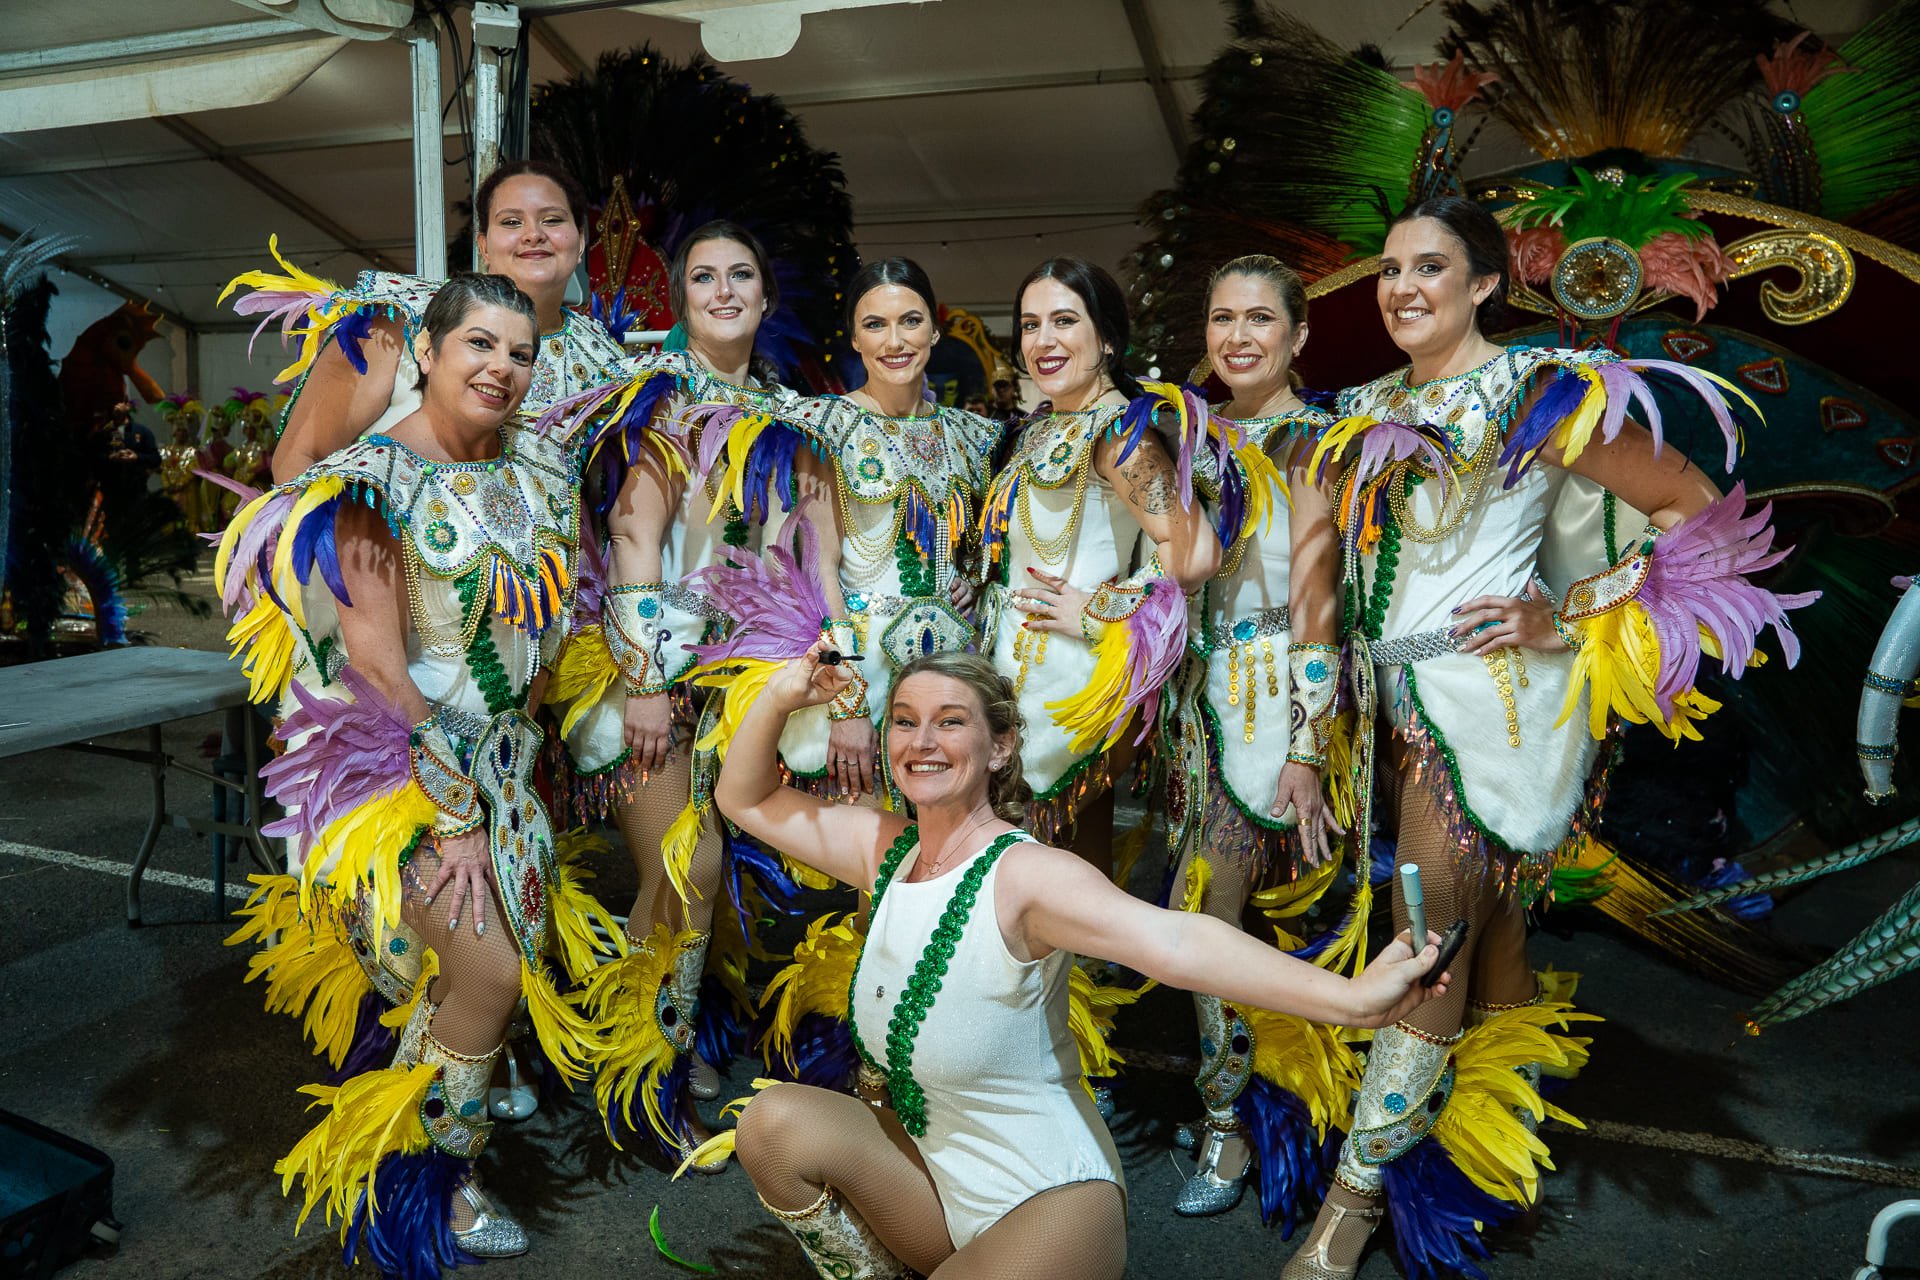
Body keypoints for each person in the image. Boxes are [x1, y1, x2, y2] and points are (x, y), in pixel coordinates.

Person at [1278, 195, 1815, 1279]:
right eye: (1389, 269)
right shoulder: (1359, 409)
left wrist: (1564, 615)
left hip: (1494, 708)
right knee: (1491, 934)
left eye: (1430, 267)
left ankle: (1354, 1201)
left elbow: (1696, 510)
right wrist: (1306, 731)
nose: (1402, 288)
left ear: (1485, 283)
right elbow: (1315, 584)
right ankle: (1497, 1139)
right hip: (1388, 711)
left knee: (1424, 944)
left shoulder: (1540, 391)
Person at [709, 645, 1450, 1280]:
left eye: (951, 721)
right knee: (772, 1125)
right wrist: (781, 695)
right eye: (905, 720)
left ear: (1000, 746)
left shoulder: (1026, 877)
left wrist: (1352, 1000)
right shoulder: (884, 850)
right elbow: (743, 798)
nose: (922, 740)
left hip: (1048, 1201)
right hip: (936, 1189)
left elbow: (1177, 942)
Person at [215, 274, 614, 1272]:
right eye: (478, 343)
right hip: (399, 773)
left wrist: (529, 749)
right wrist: (457, 812)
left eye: (519, 352)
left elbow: (551, 623)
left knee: (486, 967)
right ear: (426, 353)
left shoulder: (543, 465)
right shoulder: (370, 483)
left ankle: (441, 1110)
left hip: (505, 763)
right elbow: (379, 670)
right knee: (488, 969)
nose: (501, 367)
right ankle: (432, 1184)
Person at [539, 220, 799, 1165]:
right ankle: (647, 1080)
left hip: (742, 675)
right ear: (680, 299)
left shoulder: (784, 410)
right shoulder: (660, 395)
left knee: (713, 876)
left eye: (741, 274)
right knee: (687, 868)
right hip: (648, 667)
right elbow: (632, 532)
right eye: (703, 277)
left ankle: (678, 1034)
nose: (723, 291)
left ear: (766, 296)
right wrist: (647, 680)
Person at [1161, 255, 1351, 1226]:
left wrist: (1308, 747)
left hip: (1276, 703)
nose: (1238, 336)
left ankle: (1238, 1123)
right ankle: (1238, 1113)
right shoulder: (1188, 436)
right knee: (1209, 913)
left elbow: (1318, 601)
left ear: (1299, 334)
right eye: (1222, 317)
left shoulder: (1315, 440)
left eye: (1261, 319)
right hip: (1199, 711)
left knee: (1210, 909)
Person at [982, 257, 1221, 855]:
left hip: (1067, 681)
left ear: (1107, 338)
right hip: (1013, 670)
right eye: (1030, 324)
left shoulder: (1119, 430)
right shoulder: (1040, 427)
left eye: (1064, 321)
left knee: (1044, 863)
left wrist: (1097, 610)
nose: (1043, 340)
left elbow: (1194, 554)